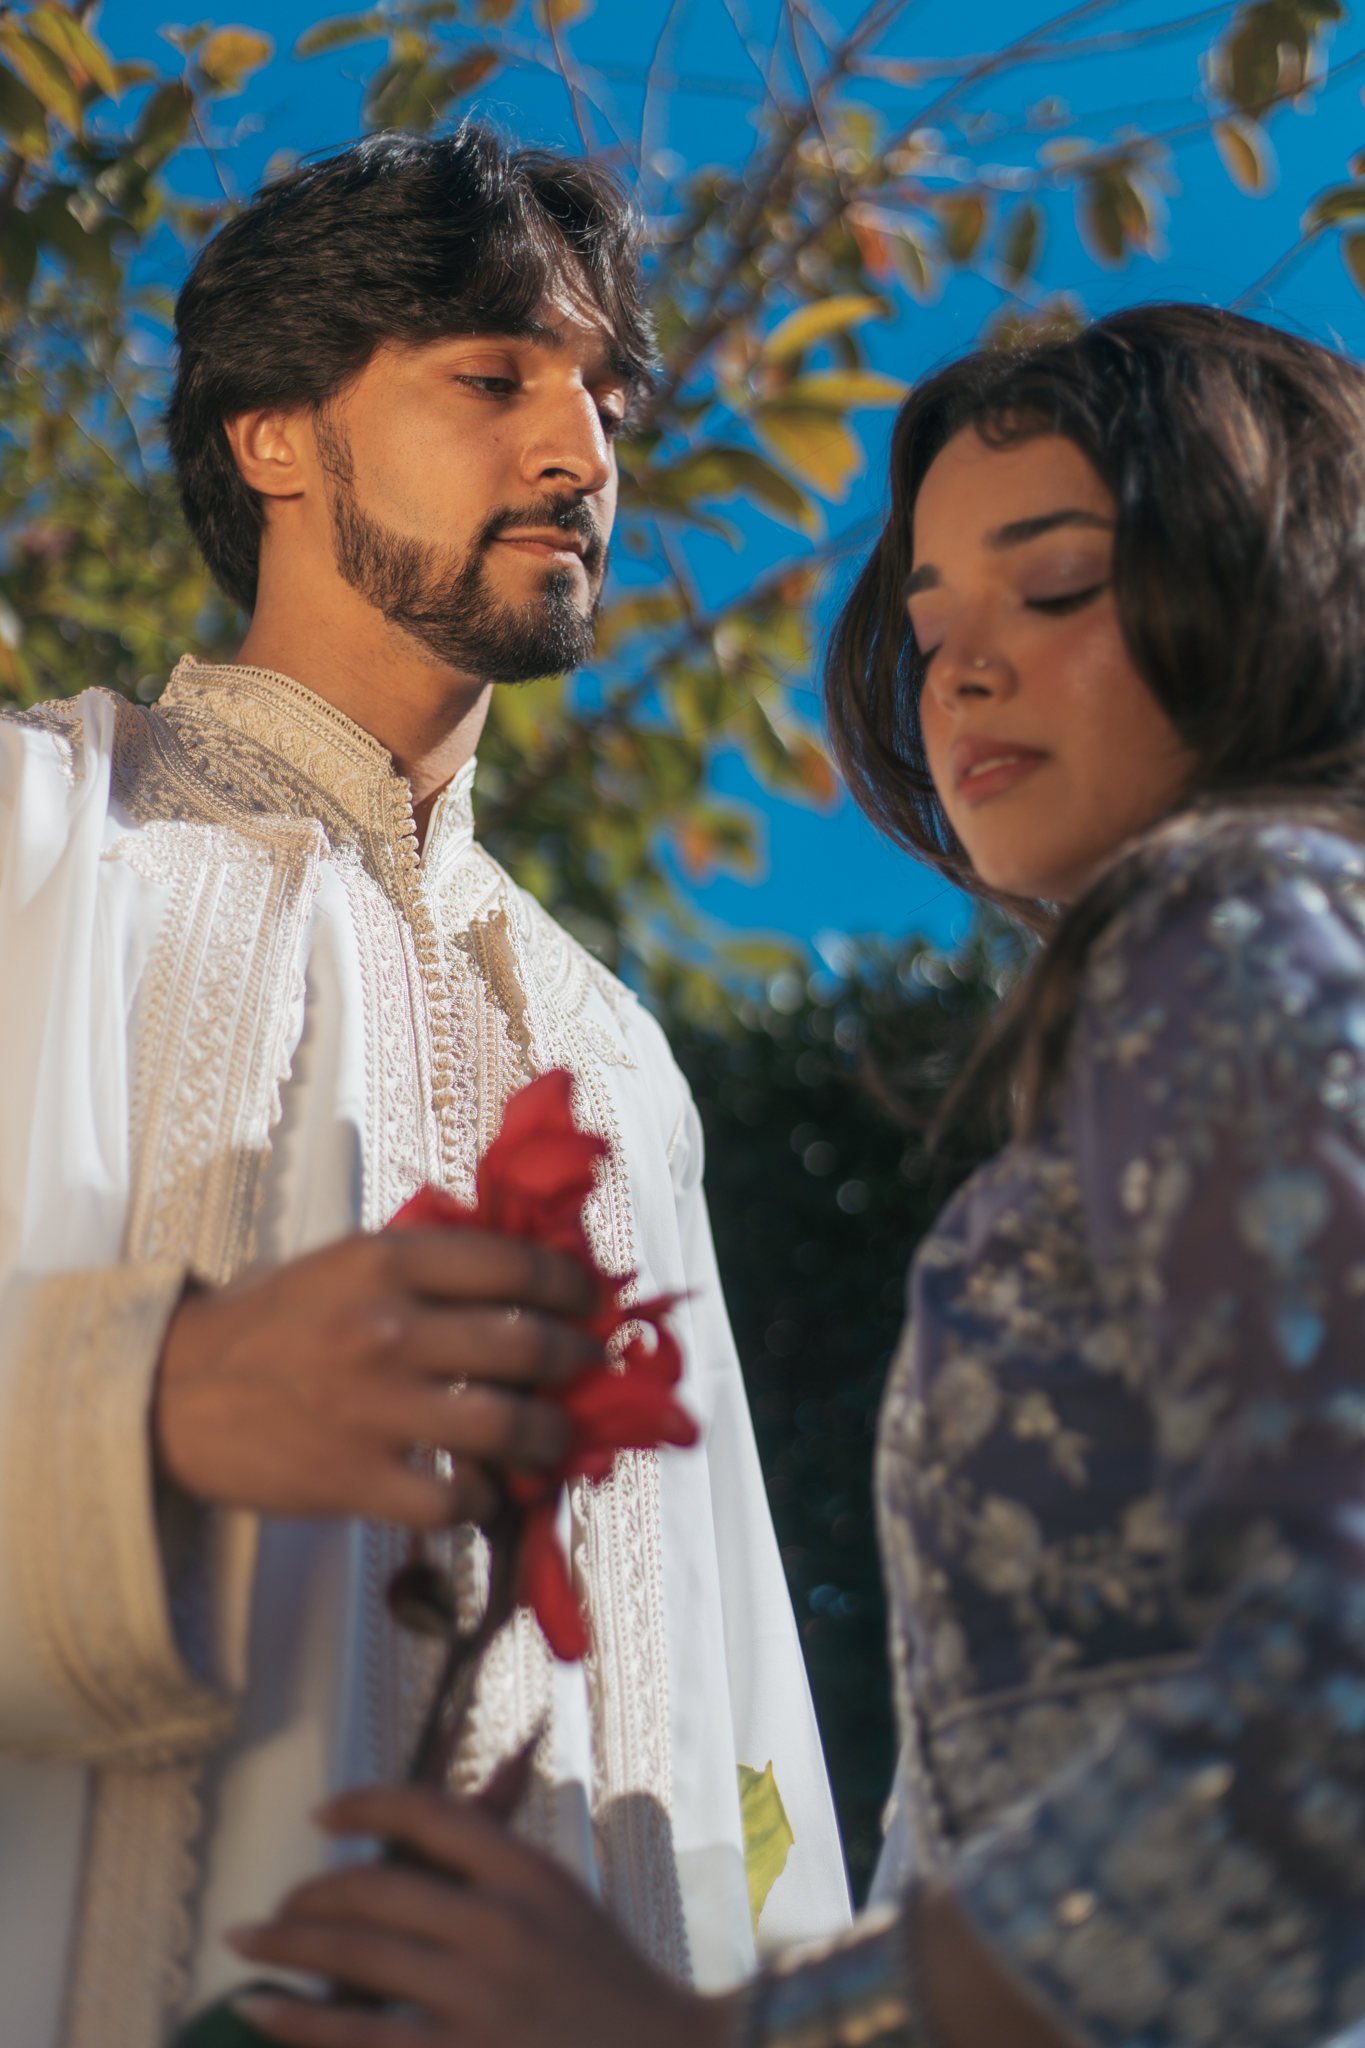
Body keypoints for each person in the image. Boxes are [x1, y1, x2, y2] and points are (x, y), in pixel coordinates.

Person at [227, 301, 1365, 2048]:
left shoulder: (1225, 928)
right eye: (929, 625)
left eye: (1052, 587)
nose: (962, 669)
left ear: (1278, 577)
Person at [0, 127, 850, 2048]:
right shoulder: (39, 845)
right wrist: (135, 1407)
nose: (582, 452)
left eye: (602, 396)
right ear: (272, 437)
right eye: (492, 380)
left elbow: (730, 1691)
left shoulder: (609, 1049)